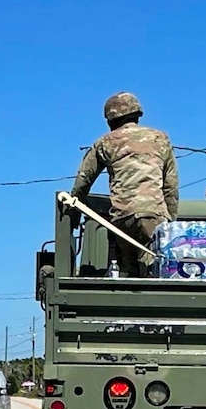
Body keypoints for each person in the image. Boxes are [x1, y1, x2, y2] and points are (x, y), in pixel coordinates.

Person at [69, 91, 179, 277]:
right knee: (153, 273)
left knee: (128, 275)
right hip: (153, 216)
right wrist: (170, 223)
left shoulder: (104, 143)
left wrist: (72, 214)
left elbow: (83, 180)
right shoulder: (160, 139)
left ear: (110, 119)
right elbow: (171, 186)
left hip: (121, 218)